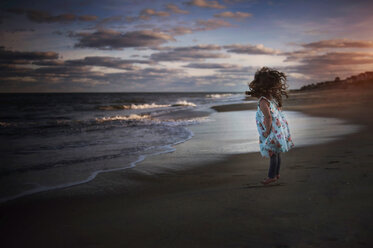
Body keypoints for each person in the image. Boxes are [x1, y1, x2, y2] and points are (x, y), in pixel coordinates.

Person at [247, 67, 295, 185]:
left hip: (271, 131)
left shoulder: (263, 101)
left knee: (272, 154)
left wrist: (267, 131)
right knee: (276, 153)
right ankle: (276, 173)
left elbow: (268, 117)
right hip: (278, 130)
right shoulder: (271, 100)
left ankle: (271, 176)